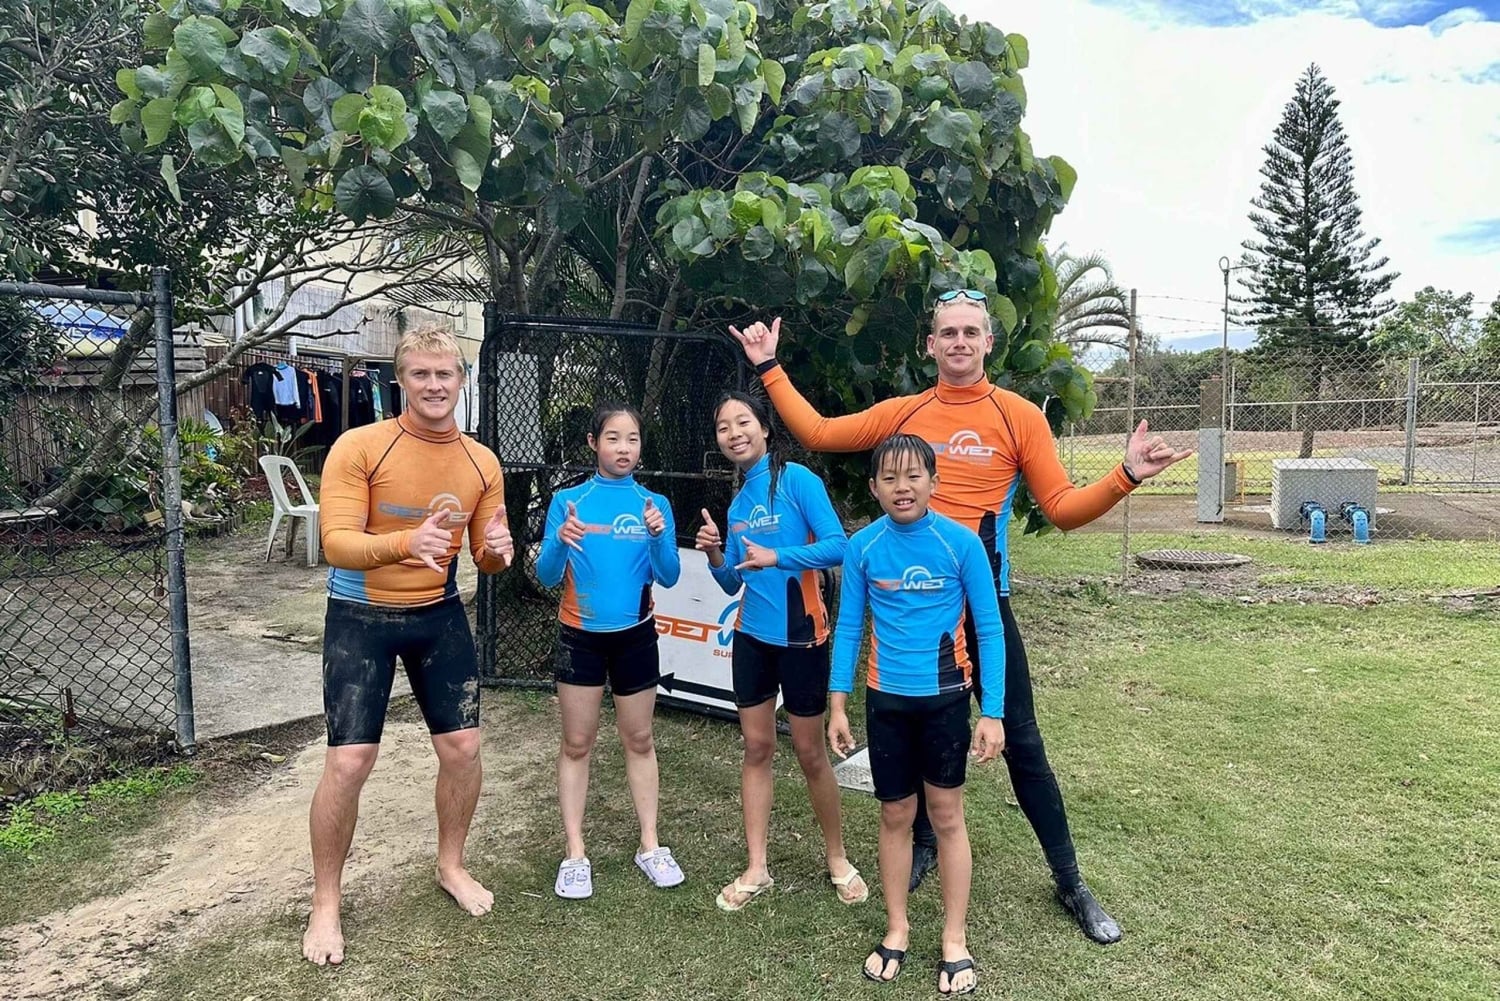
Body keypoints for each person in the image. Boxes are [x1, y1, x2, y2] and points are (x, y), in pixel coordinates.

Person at [730, 297, 1192, 944]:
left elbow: (1060, 506)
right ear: (929, 344)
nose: (958, 341)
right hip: (907, 612)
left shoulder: (1017, 415)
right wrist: (770, 366)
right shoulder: (908, 414)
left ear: (988, 342)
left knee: (1023, 742)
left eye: (970, 331)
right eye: (947, 331)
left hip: (981, 608)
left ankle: (1070, 879)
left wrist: (1124, 476)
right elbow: (820, 432)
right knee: (920, 729)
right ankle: (921, 847)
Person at [305, 326, 512, 966]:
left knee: (464, 747)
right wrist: (404, 543)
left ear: (462, 379)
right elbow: (336, 542)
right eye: (420, 374)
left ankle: (451, 865)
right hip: (360, 615)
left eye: (445, 374)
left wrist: (498, 556)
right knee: (349, 762)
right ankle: (326, 903)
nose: (433, 386)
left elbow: (485, 552)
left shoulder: (481, 462)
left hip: (438, 614)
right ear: (401, 380)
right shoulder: (359, 445)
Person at [828, 433, 1005, 994]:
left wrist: (993, 711)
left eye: (913, 476)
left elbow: (990, 628)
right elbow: (850, 627)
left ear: (934, 481)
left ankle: (955, 938)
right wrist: (838, 702)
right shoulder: (863, 547)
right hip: (887, 704)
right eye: (889, 478)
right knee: (894, 817)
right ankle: (897, 927)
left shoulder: (960, 545)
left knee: (947, 817)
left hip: (947, 703)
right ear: (874, 487)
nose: (902, 487)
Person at [694, 391, 865, 912]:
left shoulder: (797, 480)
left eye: (742, 421)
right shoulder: (739, 499)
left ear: (765, 428)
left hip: (802, 637)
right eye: (723, 427)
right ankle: (756, 867)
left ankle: (837, 858)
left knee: (811, 753)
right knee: (757, 749)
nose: (734, 433)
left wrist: (778, 556)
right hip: (751, 639)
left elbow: (840, 546)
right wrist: (716, 552)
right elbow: (730, 584)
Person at [537, 402, 684, 900]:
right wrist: (559, 540)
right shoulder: (568, 501)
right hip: (579, 635)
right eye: (614, 438)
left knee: (639, 739)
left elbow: (668, 576)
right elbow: (546, 576)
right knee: (577, 744)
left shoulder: (654, 504)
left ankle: (650, 844)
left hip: (636, 636)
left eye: (633, 439)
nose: (624, 448)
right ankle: (575, 853)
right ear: (593, 443)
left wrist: (661, 539)